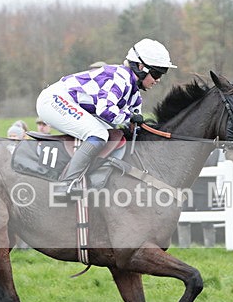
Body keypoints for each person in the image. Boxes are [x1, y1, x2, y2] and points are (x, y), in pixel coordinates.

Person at [36, 38, 176, 196]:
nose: (158, 80)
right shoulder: (119, 78)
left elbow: (133, 128)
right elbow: (106, 111)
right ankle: (66, 183)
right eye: (156, 73)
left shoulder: (135, 95)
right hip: (54, 100)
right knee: (99, 134)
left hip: (70, 103)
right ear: (141, 67)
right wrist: (129, 118)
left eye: (162, 74)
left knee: (112, 136)